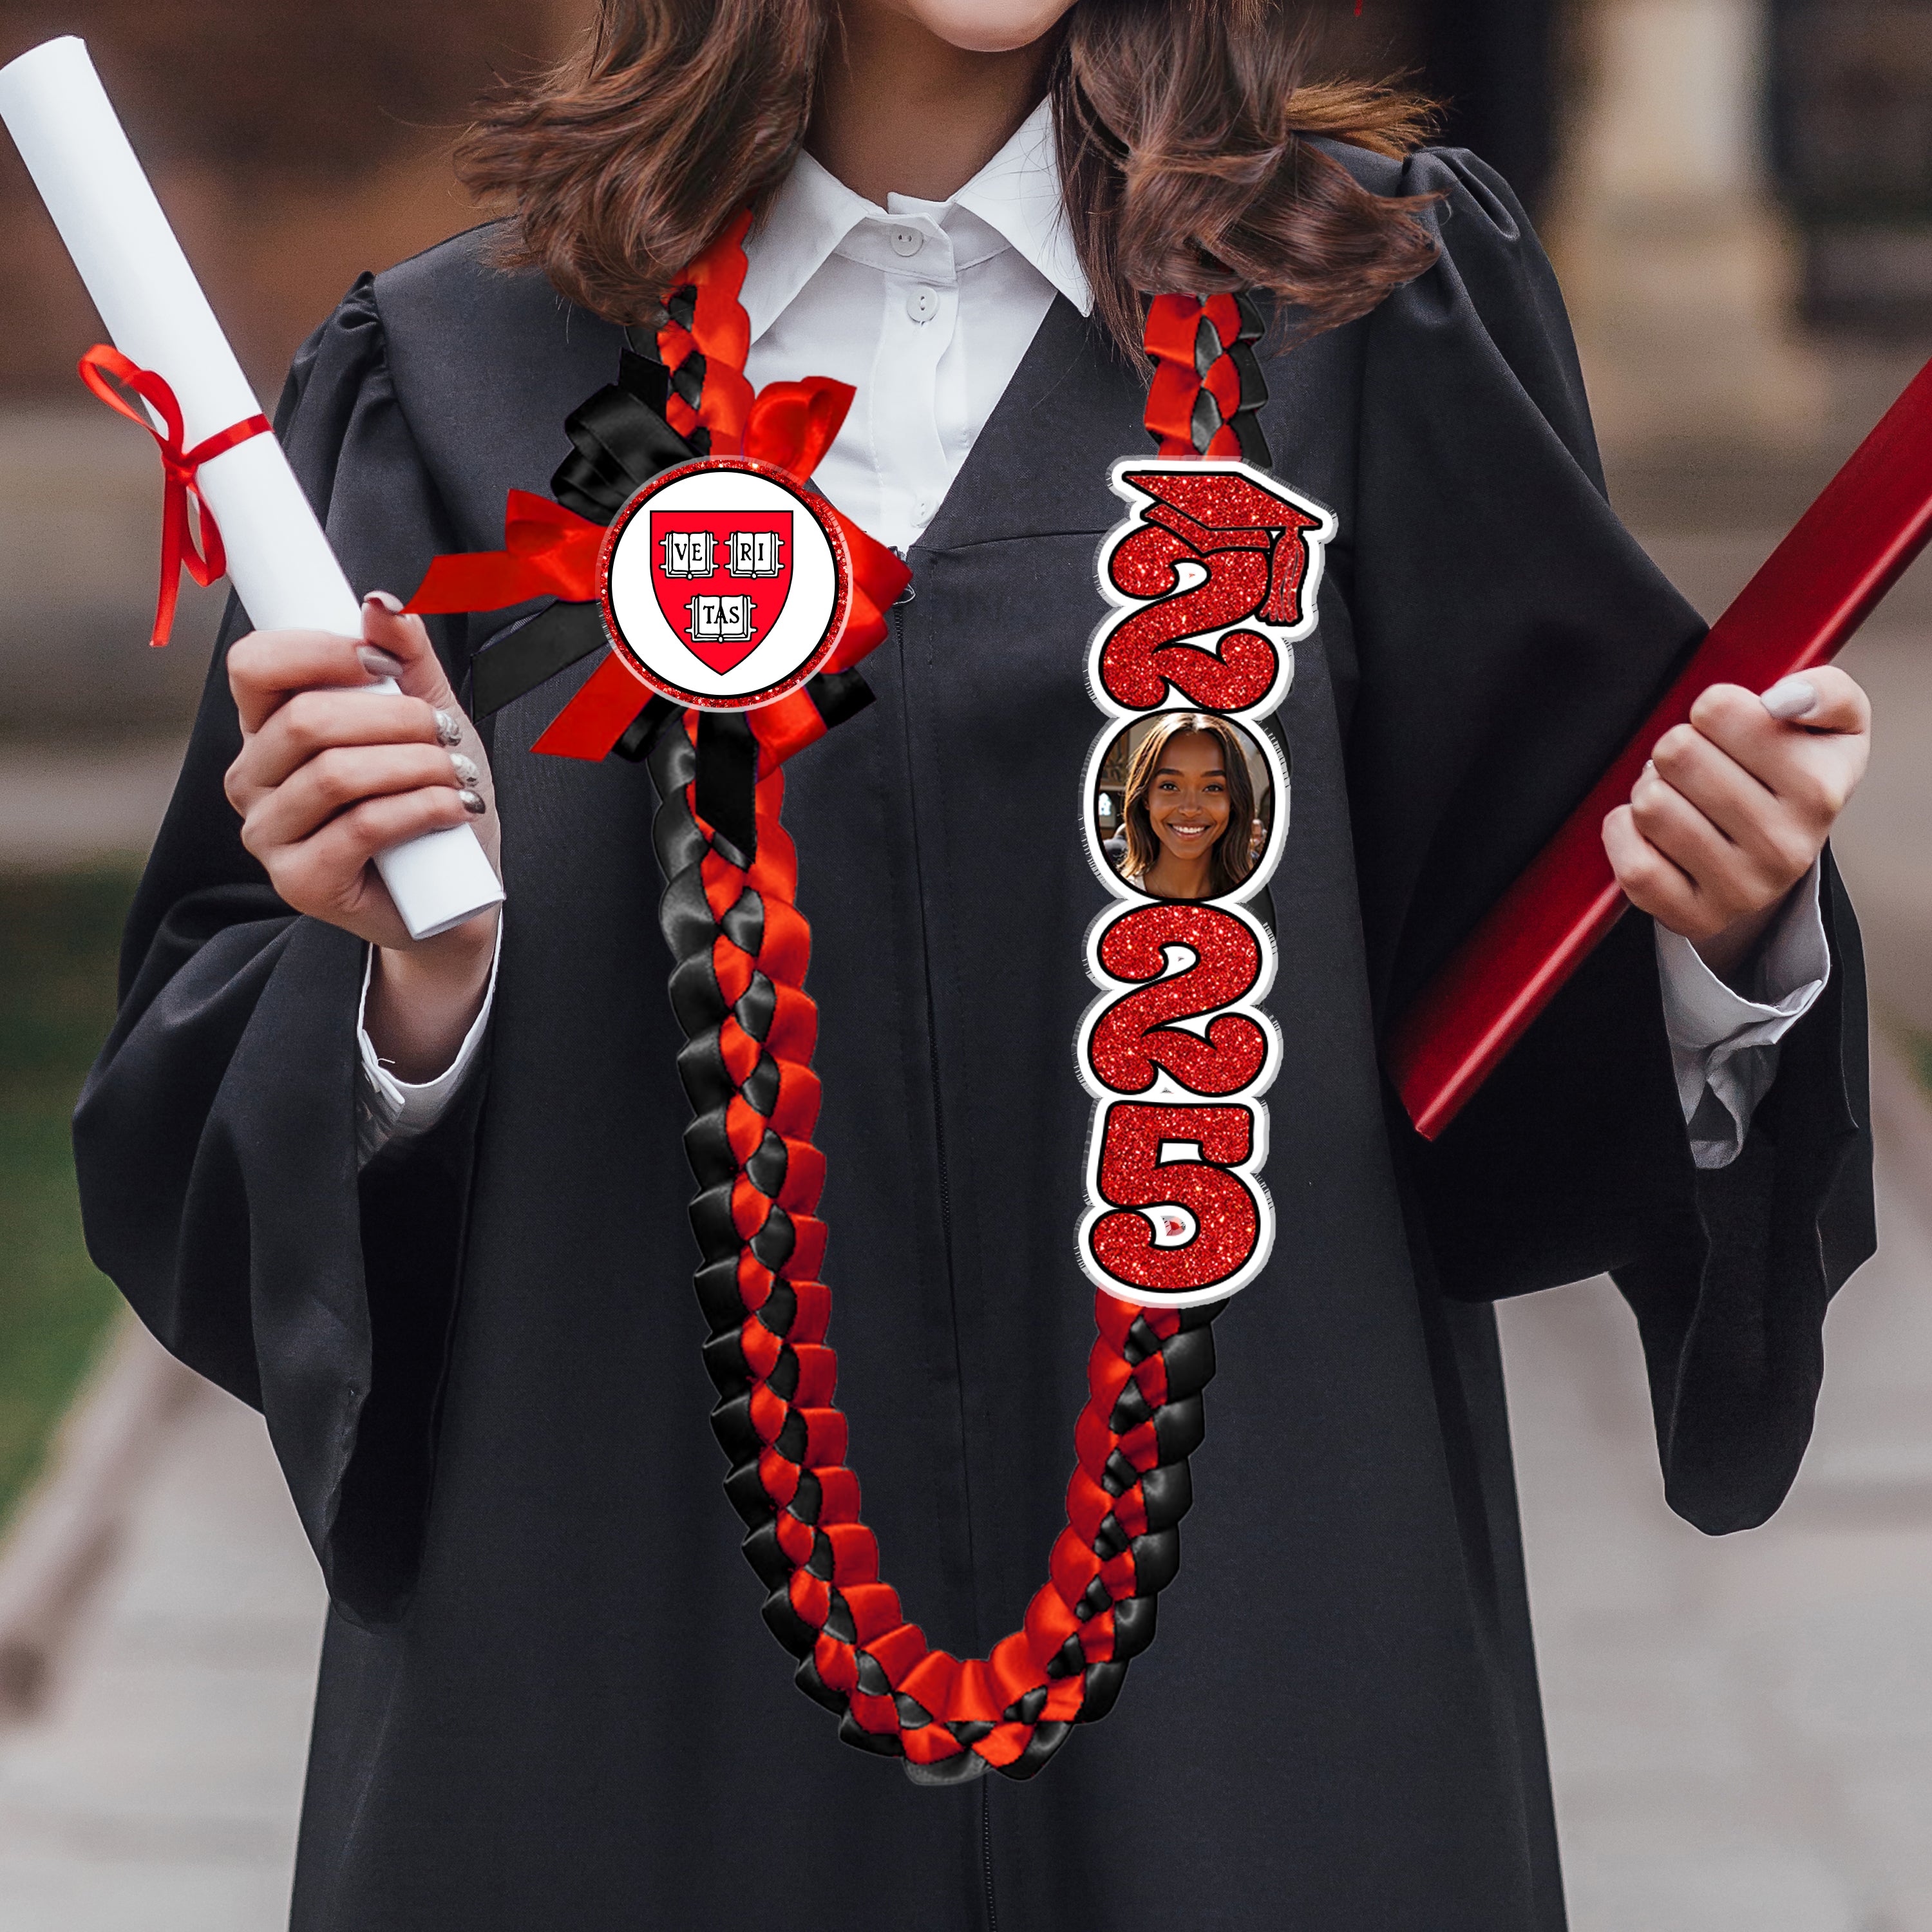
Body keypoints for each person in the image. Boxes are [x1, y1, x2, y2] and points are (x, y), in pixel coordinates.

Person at [72, 2, 1876, 1927]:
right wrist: (407, 995)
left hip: (1257, 1693)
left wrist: (1723, 922)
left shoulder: (1360, 311)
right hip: (635, 1689)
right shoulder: (466, 383)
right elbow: (217, 1113)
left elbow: (1525, 989)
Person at [1111, 710, 1260, 900]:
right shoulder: (1109, 901)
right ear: (1146, 797)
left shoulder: (1261, 902)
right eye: (1170, 786)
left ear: (1234, 800)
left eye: (1213, 788)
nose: (1190, 809)